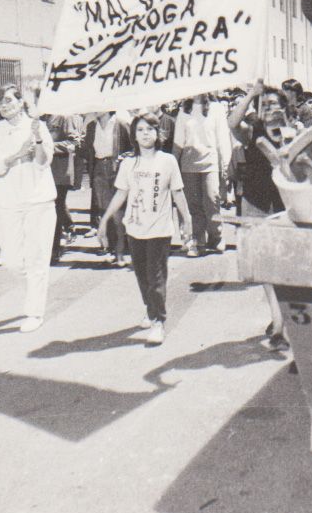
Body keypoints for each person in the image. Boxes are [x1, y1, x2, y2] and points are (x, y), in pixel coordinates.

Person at [98, 113, 192, 346]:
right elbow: (121, 193)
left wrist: (187, 219)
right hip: (135, 228)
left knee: (156, 276)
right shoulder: (128, 163)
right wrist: (104, 220)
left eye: (150, 129)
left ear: (158, 133)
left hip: (159, 230)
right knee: (141, 276)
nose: (145, 134)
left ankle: (158, 321)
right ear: (134, 136)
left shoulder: (168, 161)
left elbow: (177, 192)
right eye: (140, 130)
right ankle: (150, 309)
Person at [0, 84, 57, 332]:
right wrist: (16, 154)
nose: (5, 105)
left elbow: (44, 161)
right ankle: (36, 290)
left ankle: (34, 311)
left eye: (9, 100)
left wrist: (36, 139)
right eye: (0, 102)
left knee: (37, 259)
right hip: (8, 203)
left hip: (38, 201)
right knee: (12, 261)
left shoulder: (38, 126)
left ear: (22, 101)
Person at [228, 80, 291, 348]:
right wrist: (251, 94)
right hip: (256, 200)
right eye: (264, 104)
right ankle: (278, 322)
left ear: (285, 107)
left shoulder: (295, 130)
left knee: (286, 265)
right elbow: (232, 123)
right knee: (265, 264)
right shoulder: (252, 130)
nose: (269, 108)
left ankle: (283, 324)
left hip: (285, 202)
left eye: (274, 103)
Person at [173, 93, 231, 256]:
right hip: (189, 163)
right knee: (193, 204)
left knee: (212, 200)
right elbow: (178, 142)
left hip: (211, 162)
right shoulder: (184, 110)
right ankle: (198, 240)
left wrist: (225, 164)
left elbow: (223, 139)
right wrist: (172, 165)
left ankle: (217, 237)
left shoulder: (217, 109)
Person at [84, 111, 132, 264]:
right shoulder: (92, 126)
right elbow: (88, 150)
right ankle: (111, 248)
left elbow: (133, 148)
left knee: (118, 212)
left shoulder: (121, 124)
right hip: (99, 168)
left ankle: (120, 251)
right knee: (105, 210)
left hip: (116, 169)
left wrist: (124, 158)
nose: (95, 109)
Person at [44, 113, 84, 263]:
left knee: (55, 208)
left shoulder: (64, 117)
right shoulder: (42, 118)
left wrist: (46, 147)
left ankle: (55, 250)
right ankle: (67, 230)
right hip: (44, 171)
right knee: (51, 208)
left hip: (60, 172)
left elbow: (73, 143)